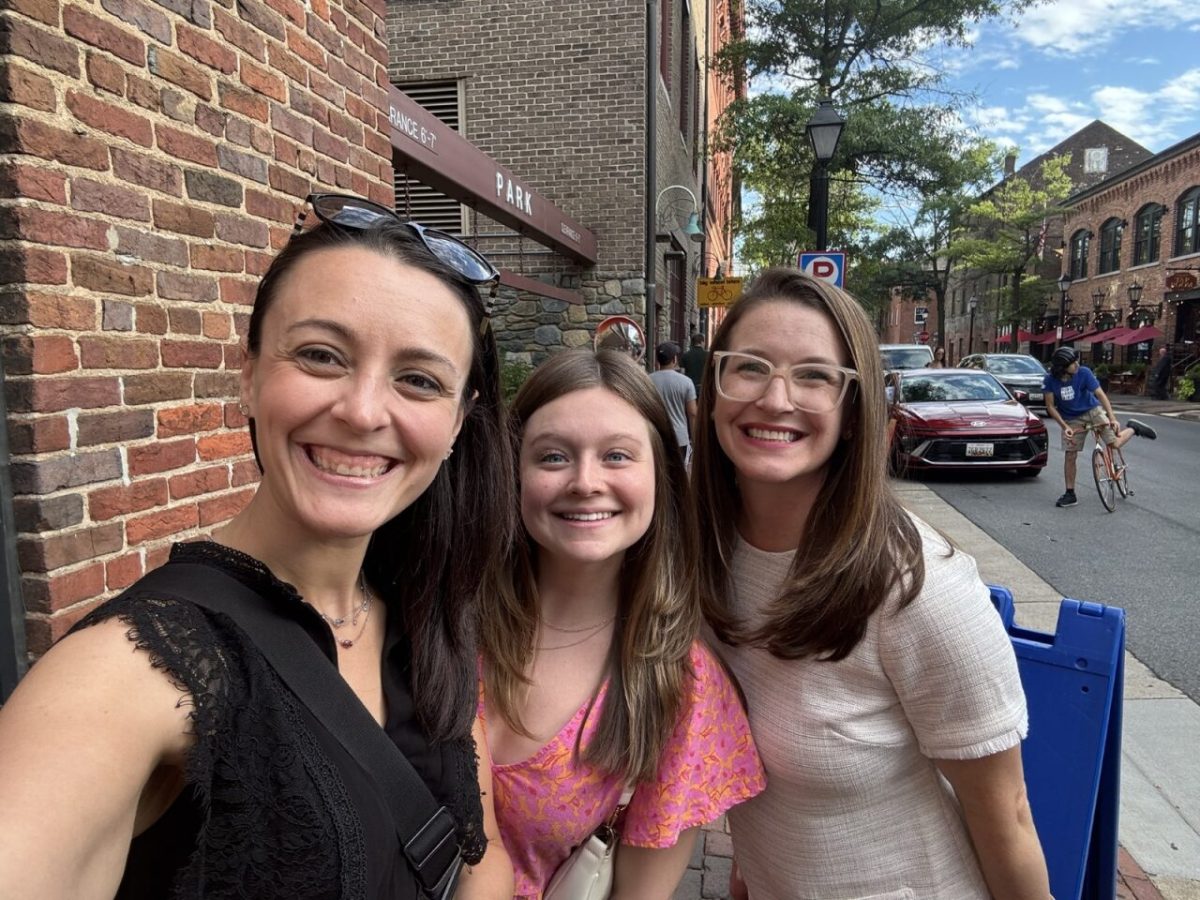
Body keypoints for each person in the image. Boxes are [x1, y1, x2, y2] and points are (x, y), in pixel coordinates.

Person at [0, 194, 518, 899]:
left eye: (419, 380)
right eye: (320, 355)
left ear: (459, 422)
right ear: (249, 375)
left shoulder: (424, 613)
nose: (363, 410)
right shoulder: (123, 676)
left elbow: (478, 863)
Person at [692, 268, 1053, 899]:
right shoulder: (706, 552)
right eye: (750, 366)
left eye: (814, 376)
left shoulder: (919, 588)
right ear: (715, 389)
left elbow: (1009, 815)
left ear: (855, 413)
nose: (776, 398)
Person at [480, 349, 765, 900]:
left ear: (660, 475)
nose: (585, 482)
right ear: (514, 471)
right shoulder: (445, 616)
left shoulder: (680, 688)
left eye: (616, 456)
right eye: (554, 457)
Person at [1043, 345, 1157, 508]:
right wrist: (1064, 426)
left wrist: (1112, 417)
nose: (1077, 365)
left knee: (1114, 443)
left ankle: (1133, 428)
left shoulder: (1084, 373)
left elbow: (1100, 394)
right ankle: (1070, 493)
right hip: (1071, 419)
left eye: (1077, 361)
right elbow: (1050, 406)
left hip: (1092, 411)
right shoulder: (1050, 380)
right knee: (1070, 454)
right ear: (1062, 368)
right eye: (1073, 363)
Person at [649, 341, 698, 465]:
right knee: (680, 477)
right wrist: (695, 440)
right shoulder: (686, 382)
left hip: (656, 437)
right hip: (679, 438)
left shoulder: (648, 380)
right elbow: (692, 413)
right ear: (674, 359)